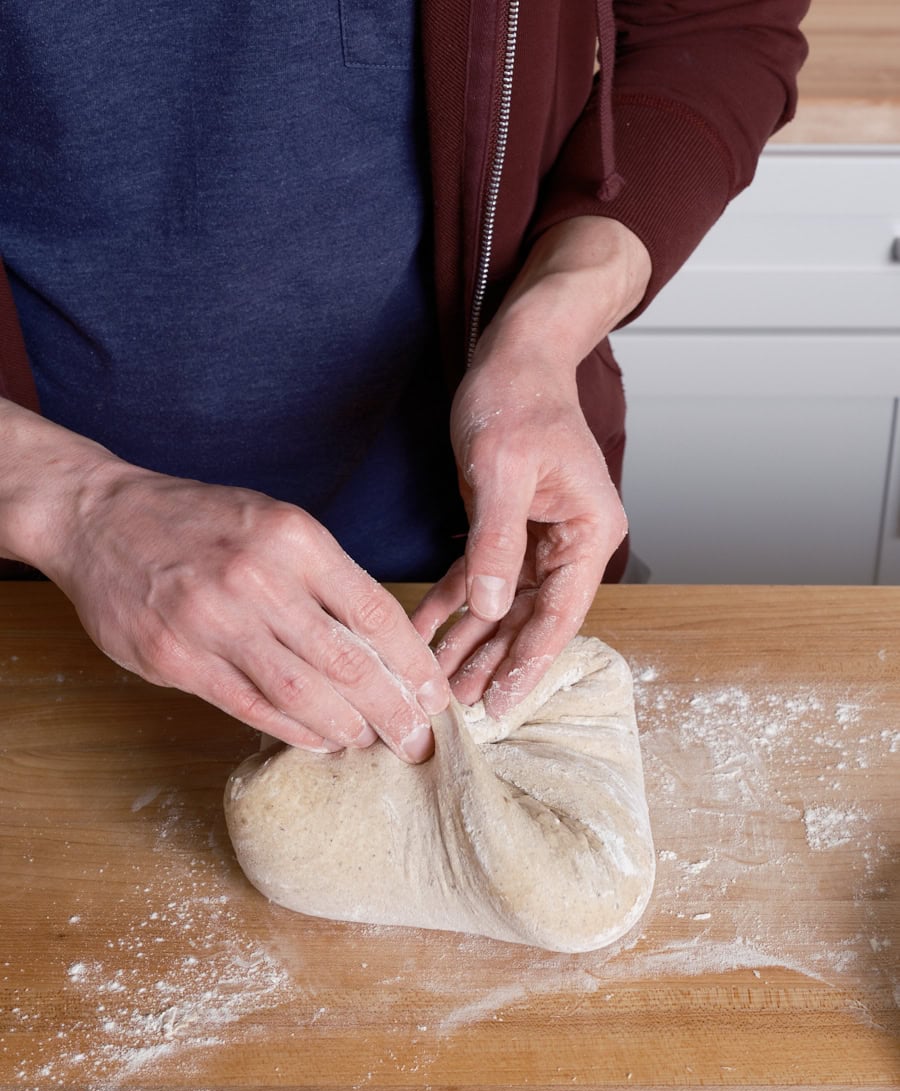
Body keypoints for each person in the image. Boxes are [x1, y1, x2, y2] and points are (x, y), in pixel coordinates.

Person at [0, 2, 808, 762]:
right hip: (36, 583)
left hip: (472, 552)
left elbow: (719, 24)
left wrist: (546, 327)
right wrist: (69, 502)